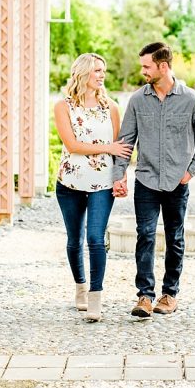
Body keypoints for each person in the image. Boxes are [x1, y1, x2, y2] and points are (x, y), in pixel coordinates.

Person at [112, 41, 195, 318]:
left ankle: (170, 294)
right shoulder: (136, 100)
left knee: (175, 238)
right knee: (144, 235)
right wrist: (118, 174)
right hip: (146, 179)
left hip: (176, 182)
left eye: (147, 66)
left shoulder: (191, 99)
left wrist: (190, 171)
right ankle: (145, 296)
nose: (143, 70)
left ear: (163, 66)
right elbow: (125, 141)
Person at [53, 53, 131, 322]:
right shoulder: (63, 107)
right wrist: (107, 147)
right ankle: (80, 288)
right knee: (74, 239)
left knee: (96, 238)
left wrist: (121, 177)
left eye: (103, 70)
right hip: (70, 182)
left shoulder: (111, 107)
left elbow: (121, 149)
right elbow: (72, 146)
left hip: (102, 182)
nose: (101, 75)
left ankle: (96, 296)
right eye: (97, 70)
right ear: (83, 72)